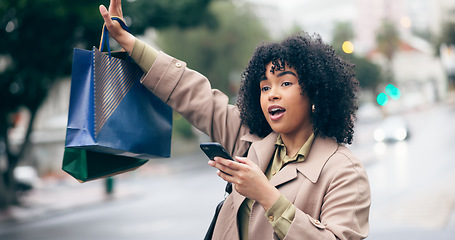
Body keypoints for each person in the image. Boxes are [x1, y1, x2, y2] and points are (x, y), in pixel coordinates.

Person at [99, 1, 371, 239]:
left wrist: (266, 195)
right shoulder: (249, 138)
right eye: (265, 87)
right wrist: (128, 41)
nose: (271, 95)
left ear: (315, 93)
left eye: (285, 83)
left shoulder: (345, 172)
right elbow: (192, 92)